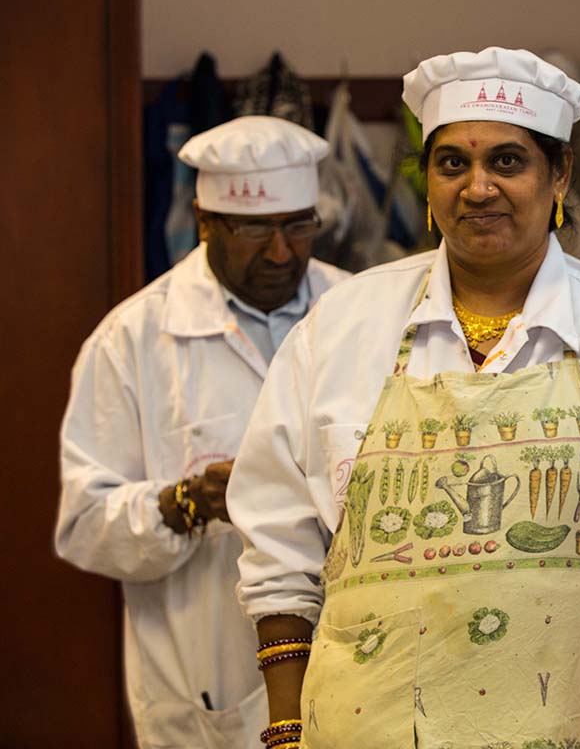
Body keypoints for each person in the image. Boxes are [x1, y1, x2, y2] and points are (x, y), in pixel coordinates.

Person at [227, 47, 580, 749]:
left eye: (508, 161)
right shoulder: (341, 329)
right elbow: (279, 550)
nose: (478, 187)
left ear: (560, 176)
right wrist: (285, 730)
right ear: (428, 182)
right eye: (452, 163)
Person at [56, 116, 348, 748]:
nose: (282, 252)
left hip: (353, 662)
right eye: (255, 231)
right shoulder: (133, 340)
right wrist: (184, 503)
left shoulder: (361, 313)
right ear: (204, 222)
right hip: (209, 682)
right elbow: (82, 525)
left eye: (298, 226)